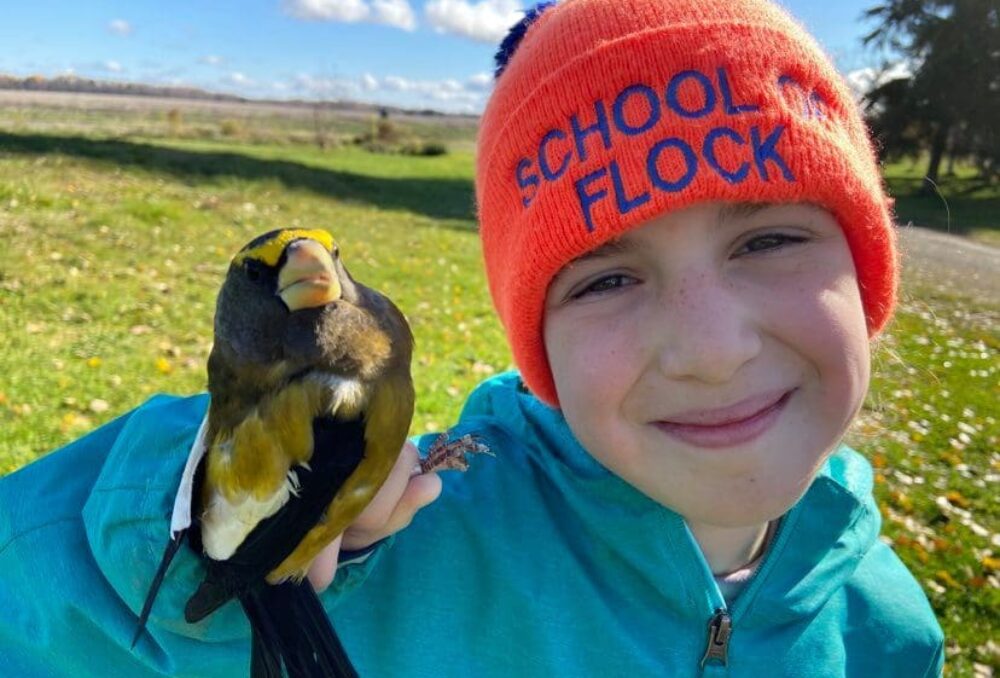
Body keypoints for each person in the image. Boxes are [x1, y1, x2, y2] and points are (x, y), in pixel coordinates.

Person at [0, 0, 944, 675]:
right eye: (608, 277)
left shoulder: (891, 630)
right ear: (537, 346)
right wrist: (188, 529)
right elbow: (42, 610)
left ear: (867, 270)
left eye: (770, 239)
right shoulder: (408, 546)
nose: (712, 347)